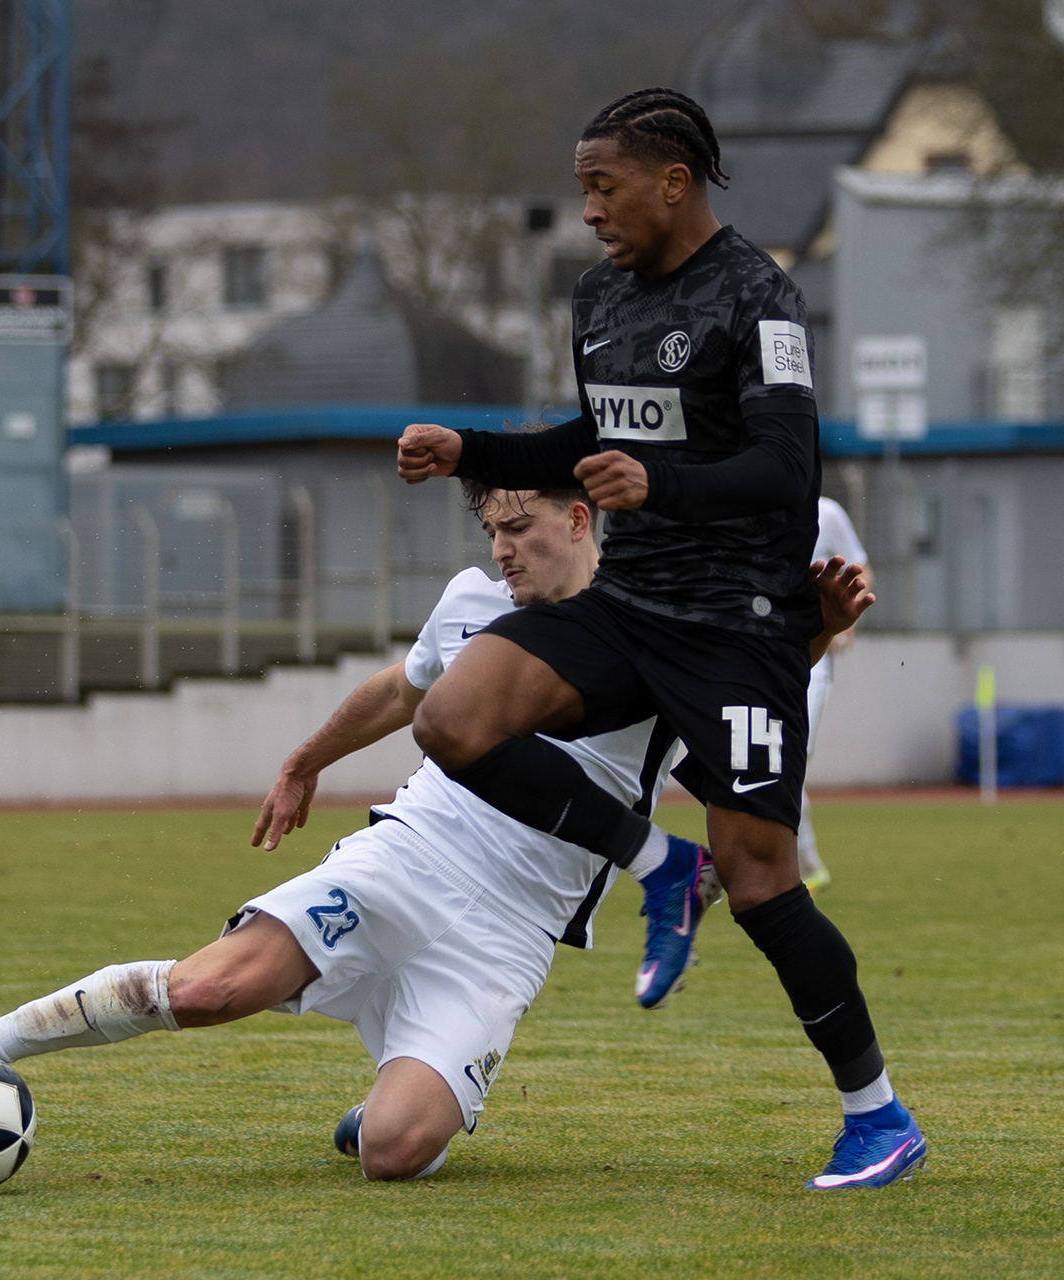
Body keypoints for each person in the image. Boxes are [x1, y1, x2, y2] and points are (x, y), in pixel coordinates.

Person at [0, 483, 876, 1183]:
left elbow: (747, 725)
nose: (500, 550)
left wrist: (814, 637)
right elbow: (402, 690)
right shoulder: (470, 600)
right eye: (490, 530)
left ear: (582, 517)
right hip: (410, 852)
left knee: (396, 1154)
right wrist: (310, 757)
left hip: (510, 927)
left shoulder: (663, 627)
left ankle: (390, 1100)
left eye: (521, 527)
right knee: (210, 988)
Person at [393, 88, 924, 1189]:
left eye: (603, 185)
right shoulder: (597, 296)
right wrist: (474, 448)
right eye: (583, 186)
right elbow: (592, 434)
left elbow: (786, 464)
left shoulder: (758, 293)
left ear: (671, 181)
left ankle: (878, 1115)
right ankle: (659, 867)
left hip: (740, 625)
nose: (588, 209)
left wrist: (662, 483)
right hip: (631, 606)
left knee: (766, 877)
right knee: (455, 716)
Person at [798, 496, 869, 892]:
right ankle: (805, 867)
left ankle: (801, 869)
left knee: (783, 761)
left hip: (812, 655)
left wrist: (844, 624)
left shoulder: (826, 512)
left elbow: (863, 570)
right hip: (755, 653)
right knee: (766, 763)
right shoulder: (748, 501)